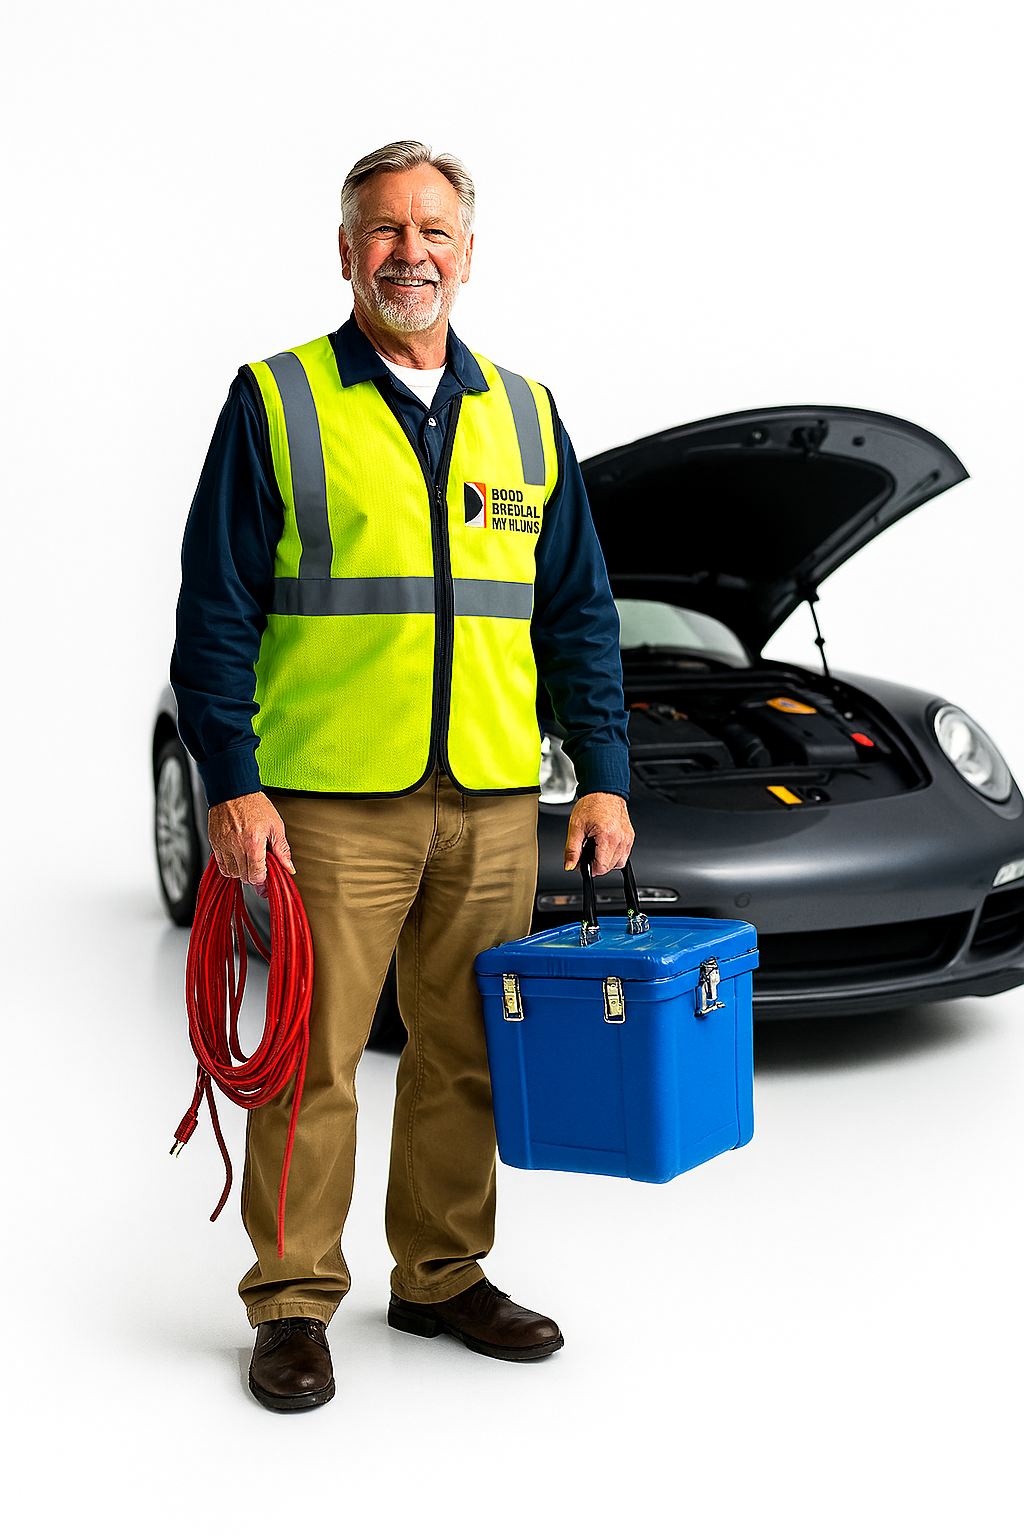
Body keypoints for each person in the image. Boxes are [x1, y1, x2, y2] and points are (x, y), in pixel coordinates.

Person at [172, 140, 633, 1412]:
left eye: (434, 231)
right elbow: (214, 610)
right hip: (328, 802)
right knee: (314, 1056)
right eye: (385, 230)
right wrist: (229, 779)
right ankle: (293, 1300)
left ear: (469, 256)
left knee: (467, 1051)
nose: (410, 252)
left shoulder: (527, 414)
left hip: (487, 796)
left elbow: (578, 614)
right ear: (345, 251)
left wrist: (602, 773)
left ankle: (438, 1273)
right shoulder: (277, 401)